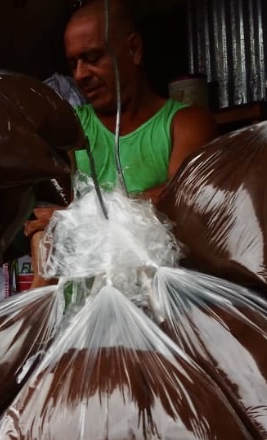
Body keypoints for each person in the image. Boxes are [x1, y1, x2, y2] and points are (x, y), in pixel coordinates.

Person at [23, 0, 217, 286]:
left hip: (157, 302)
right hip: (84, 310)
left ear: (134, 49)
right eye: (72, 63)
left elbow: (181, 201)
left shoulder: (185, 123)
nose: (79, 75)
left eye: (92, 58)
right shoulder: (72, 127)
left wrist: (76, 218)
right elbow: (44, 219)